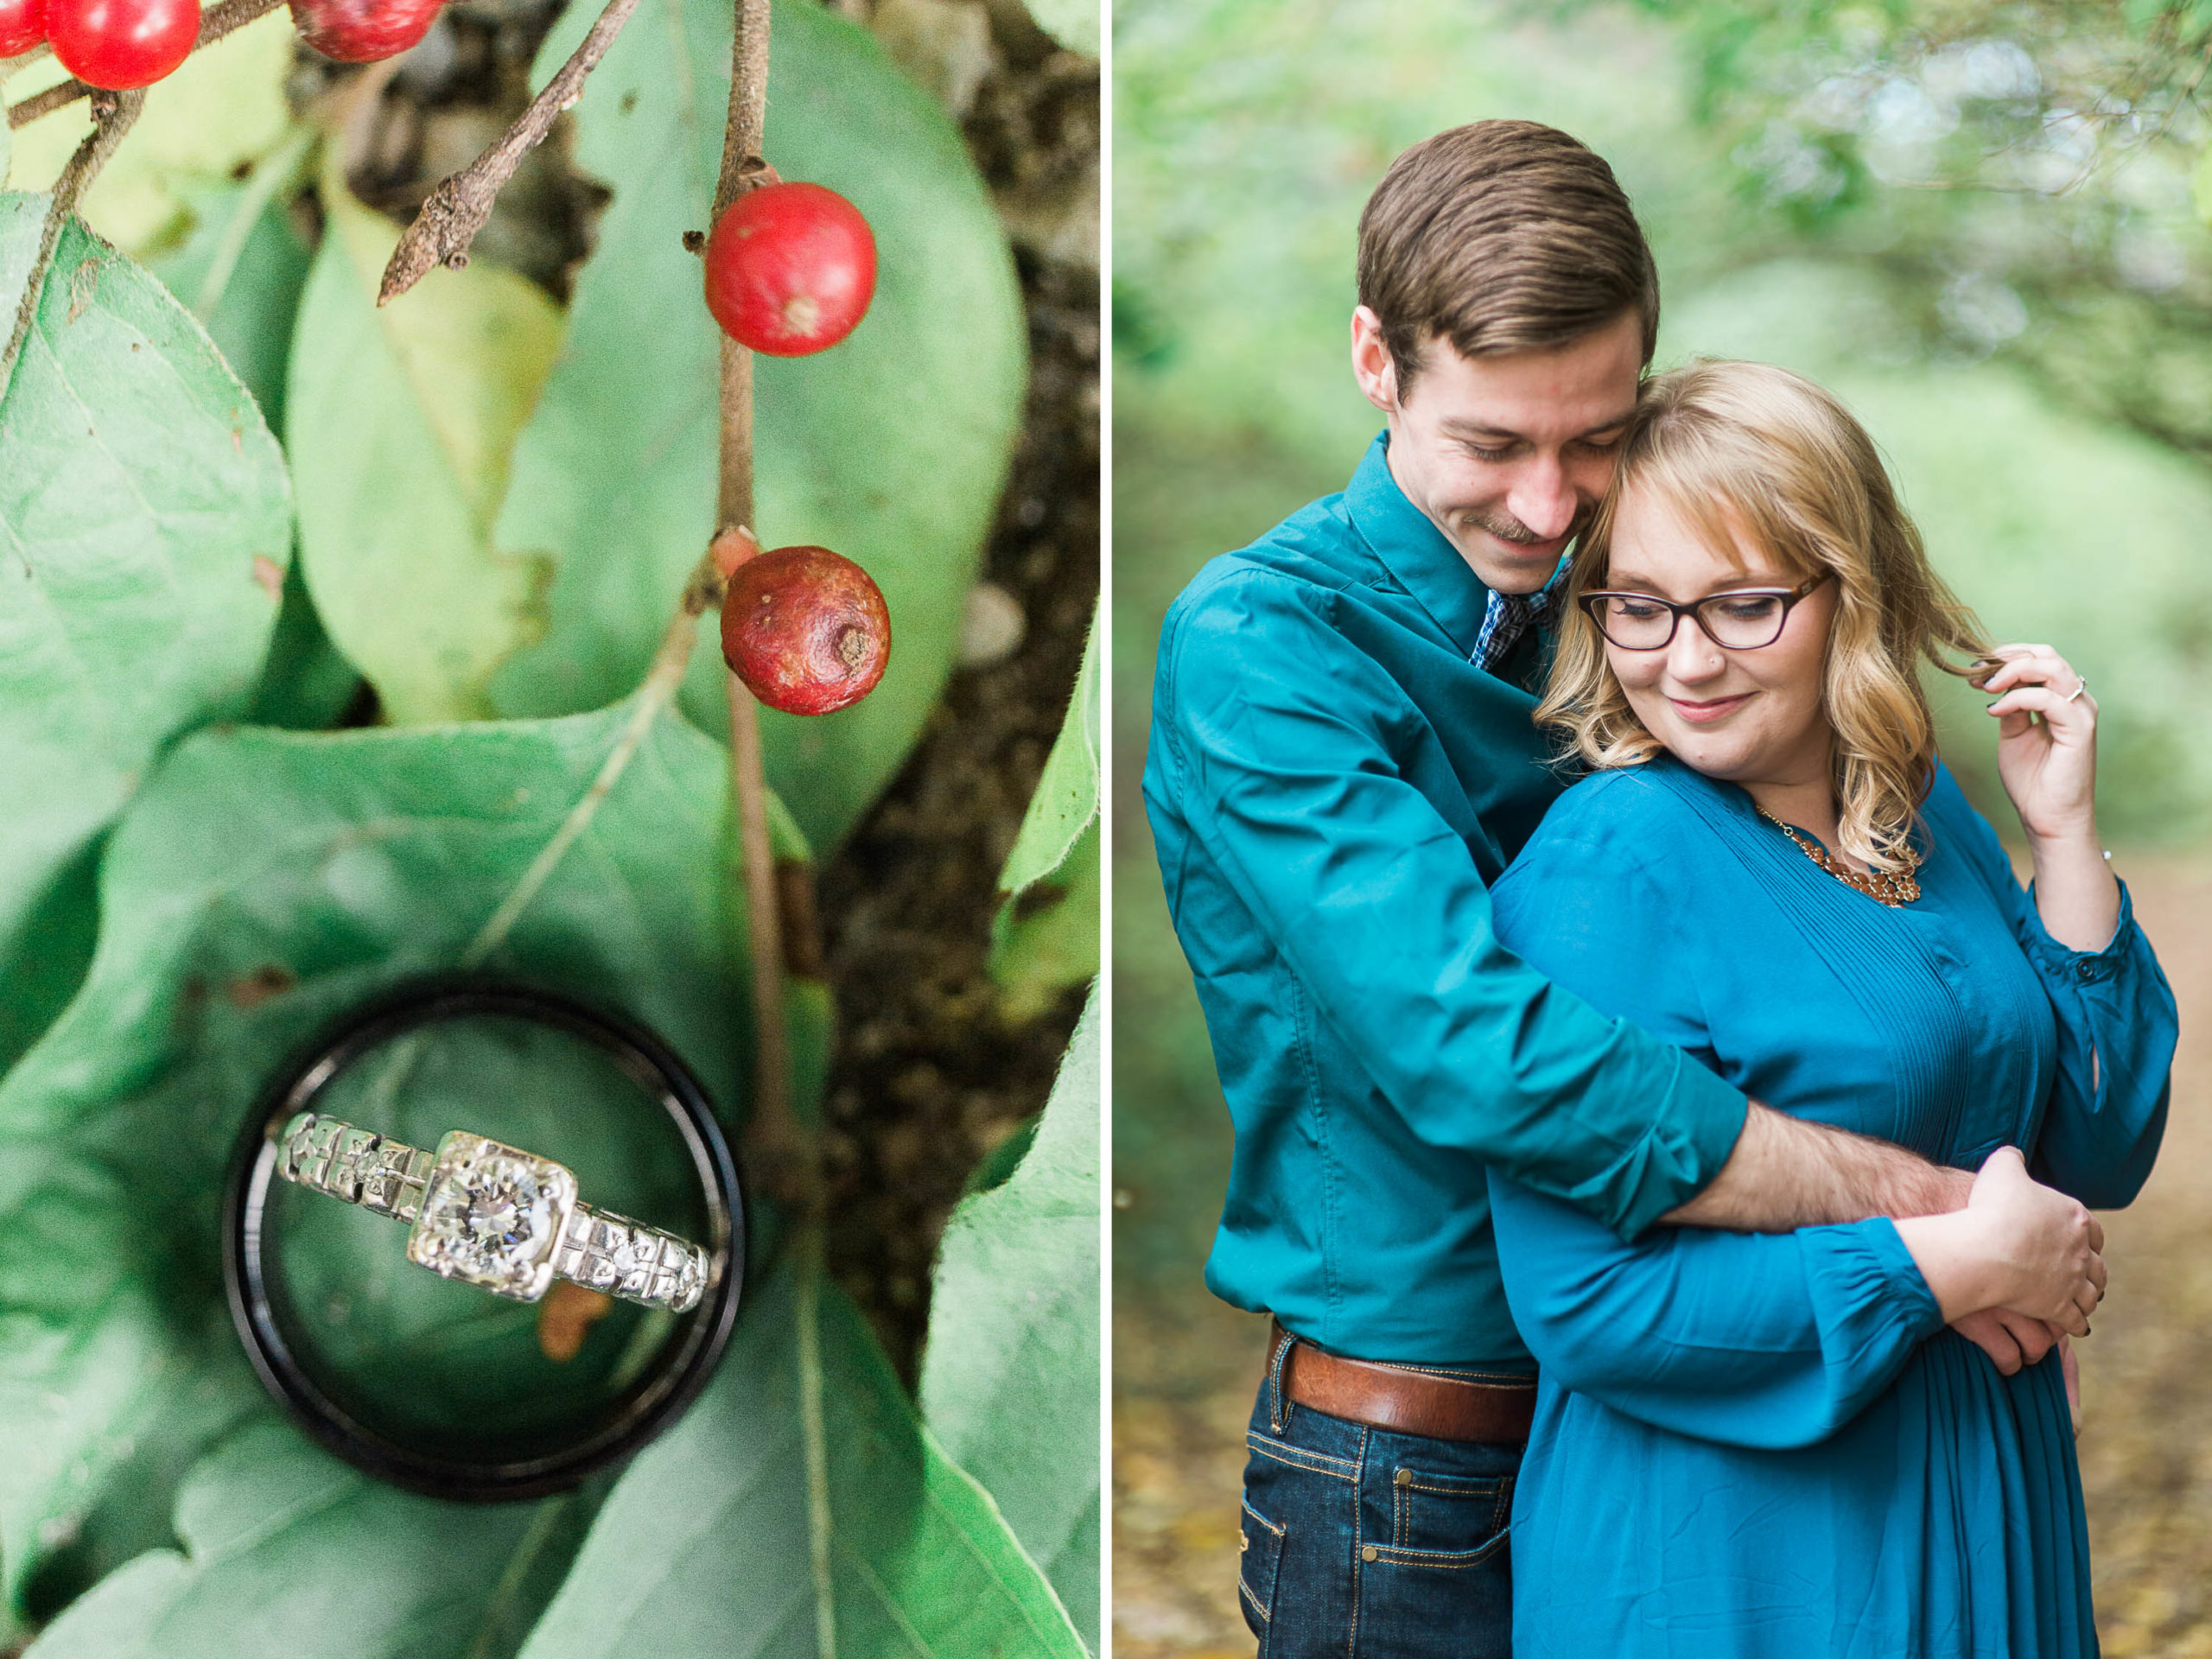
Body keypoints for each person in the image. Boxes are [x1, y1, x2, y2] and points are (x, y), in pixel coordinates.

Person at [1141, 120, 2106, 1658]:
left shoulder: (1626, 612)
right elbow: (1482, 1056)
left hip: (1691, 1431)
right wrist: (1944, 1226)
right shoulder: (1267, 651)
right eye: (1492, 445)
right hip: (1418, 1467)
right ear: (1374, 362)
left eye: (1594, 438)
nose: (1545, 505)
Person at [1485, 358, 2176, 1657]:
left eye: (1743, 606)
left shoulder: (1930, 817)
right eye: (1637, 607)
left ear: (1850, 591)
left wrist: (2063, 836)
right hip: (1737, 1561)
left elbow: (2100, 1148)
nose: (1683, 661)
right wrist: (1948, 1264)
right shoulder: (1612, 862)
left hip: (1983, 1494)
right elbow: (1589, 1301)